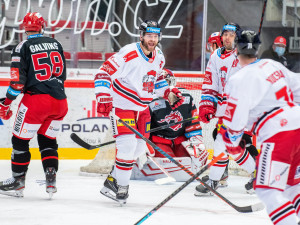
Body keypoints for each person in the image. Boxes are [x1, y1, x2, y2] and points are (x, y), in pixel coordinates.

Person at [96, 20, 184, 204]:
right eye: (149, 36)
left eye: (155, 36)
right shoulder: (128, 53)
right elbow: (103, 73)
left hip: (143, 108)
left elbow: (156, 80)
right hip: (123, 107)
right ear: (141, 36)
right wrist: (103, 95)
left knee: (139, 148)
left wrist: (168, 92)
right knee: (127, 147)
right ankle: (122, 188)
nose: (152, 39)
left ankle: (113, 180)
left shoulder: (159, 55)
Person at [222, 29, 300, 225]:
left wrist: (231, 140)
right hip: (297, 125)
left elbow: (235, 121)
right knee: (291, 186)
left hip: (278, 134)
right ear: (257, 49)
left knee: (267, 190)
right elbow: (297, 88)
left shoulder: (238, 79)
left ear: (235, 51)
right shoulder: (272, 65)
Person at [0, 12, 68, 198]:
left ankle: (17, 181)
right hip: (60, 101)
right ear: (42, 26)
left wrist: (6, 103)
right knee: (48, 141)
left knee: (20, 141)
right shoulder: (57, 43)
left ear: (24, 28)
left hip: (36, 102)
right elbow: (63, 76)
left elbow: (17, 84)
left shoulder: (22, 46)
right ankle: (51, 179)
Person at [195, 23, 258, 196]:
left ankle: (218, 180)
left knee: (229, 144)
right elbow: (210, 83)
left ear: (237, 37)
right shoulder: (216, 55)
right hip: (227, 112)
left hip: (243, 110)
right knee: (222, 144)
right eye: (225, 34)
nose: (227, 38)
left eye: (231, 34)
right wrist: (207, 105)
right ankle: (218, 179)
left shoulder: (241, 54)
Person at [148, 68, 208, 170]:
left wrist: (197, 143)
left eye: (167, 82)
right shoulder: (150, 102)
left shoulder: (186, 97)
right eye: (162, 83)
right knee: (172, 166)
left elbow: (193, 123)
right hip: (160, 141)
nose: (165, 86)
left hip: (180, 140)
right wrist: (146, 144)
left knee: (190, 163)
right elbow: (144, 127)